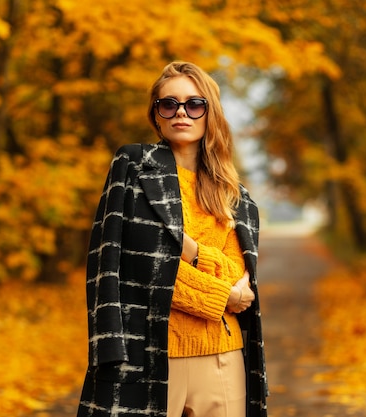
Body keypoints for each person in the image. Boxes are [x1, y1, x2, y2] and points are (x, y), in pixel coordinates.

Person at [77, 61, 269, 417]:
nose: (181, 112)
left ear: (210, 112)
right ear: (157, 115)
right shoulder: (134, 167)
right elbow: (135, 266)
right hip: (146, 355)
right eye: (169, 104)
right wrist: (223, 296)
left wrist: (191, 252)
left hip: (222, 359)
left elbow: (237, 275)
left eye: (194, 104)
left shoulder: (236, 197)